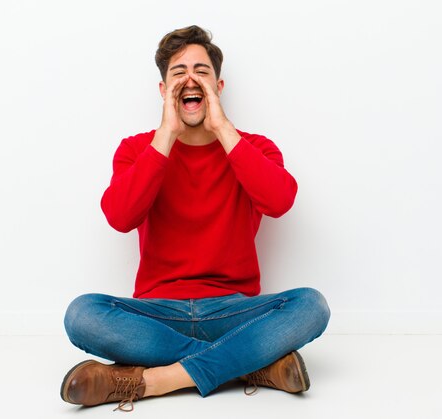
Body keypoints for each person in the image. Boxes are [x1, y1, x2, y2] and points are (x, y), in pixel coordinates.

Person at [60, 25, 330, 412]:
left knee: (312, 305)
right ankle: (249, 367)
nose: (191, 79)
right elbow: (120, 217)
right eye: (178, 72)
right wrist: (166, 134)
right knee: (81, 314)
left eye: (201, 71)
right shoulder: (138, 150)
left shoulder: (254, 147)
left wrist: (222, 128)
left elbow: (280, 201)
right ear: (163, 90)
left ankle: (152, 381)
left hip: (233, 311)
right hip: (158, 314)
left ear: (218, 87)